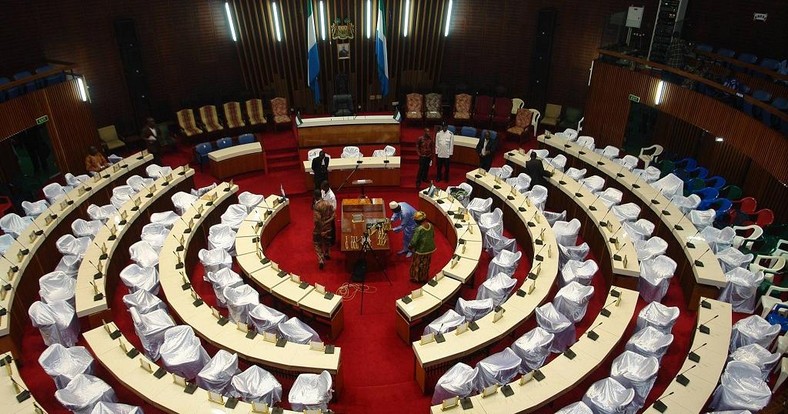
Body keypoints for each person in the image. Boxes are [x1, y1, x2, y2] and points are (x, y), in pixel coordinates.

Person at [408, 211, 435, 283]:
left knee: (417, 264)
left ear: (417, 221)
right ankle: (424, 277)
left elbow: (414, 241)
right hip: (430, 248)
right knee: (426, 263)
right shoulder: (430, 225)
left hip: (421, 250)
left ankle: (417, 279)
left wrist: (410, 246)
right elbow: (433, 236)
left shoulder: (419, 229)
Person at [312, 189, 334, 270]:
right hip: (328, 227)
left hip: (319, 229)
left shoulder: (317, 206)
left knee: (317, 243)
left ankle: (321, 259)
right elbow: (333, 215)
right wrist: (328, 222)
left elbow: (317, 220)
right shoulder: (328, 203)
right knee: (327, 241)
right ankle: (327, 253)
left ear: (315, 196)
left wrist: (320, 229)